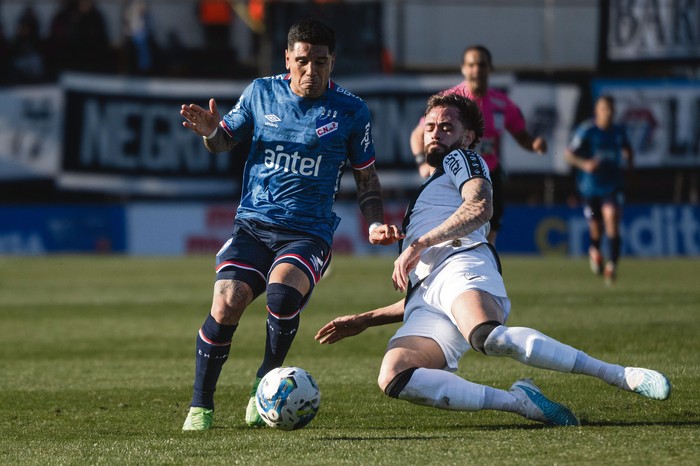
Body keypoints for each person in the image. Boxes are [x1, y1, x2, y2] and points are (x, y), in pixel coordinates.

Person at [316, 93, 670, 427]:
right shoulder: (428, 190)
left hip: (461, 263)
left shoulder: (463, 158)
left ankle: (621, 375)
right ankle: (520, 402)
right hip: (426, 297)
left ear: (468, 137)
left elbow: (480, 206)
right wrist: (364, 319)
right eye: (430, 126)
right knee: (395, 376)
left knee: (487, 336)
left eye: (446, 126)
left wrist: (418, 243)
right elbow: (424, 287)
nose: (435, 133)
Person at [179, 18, 392, 431]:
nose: (311, 71)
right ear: (287, 59)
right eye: (303, 61)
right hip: (254, 225)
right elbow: (224, 139)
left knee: (281, 295)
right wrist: (210, 135)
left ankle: (265, 382)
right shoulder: (260, 93)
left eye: (321, 62)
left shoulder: (351, 110)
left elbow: (366, 176)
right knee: (227, 301)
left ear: (333, 62)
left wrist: (375, 223)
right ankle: (200, 406)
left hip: (308, 231)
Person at [409, 45, 547, 245]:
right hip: (454, 176)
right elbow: (418, 134)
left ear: (490, 69)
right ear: (463, 68)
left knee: (489, 233)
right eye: (472, 64)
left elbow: (523, 137)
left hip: (489, 175)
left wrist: (535, 144)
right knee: (449, 230)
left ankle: (484, 266)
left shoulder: (501, 104)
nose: (477, 70)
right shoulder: (450, 102)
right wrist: (422, 162)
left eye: (481, 65)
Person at [565, 95, 634, 285]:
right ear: (597, 110)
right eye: (604, 109)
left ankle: (612, 265)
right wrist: (584, 164)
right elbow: (568, 155)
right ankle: (595, 250)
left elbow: (628, 150)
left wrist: (628, 164)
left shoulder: (619, 131)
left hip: (613, 185)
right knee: (595, 227)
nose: (608, 113)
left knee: (611, 217)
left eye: (611, 109)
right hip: (590, 188)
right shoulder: (587, 131)